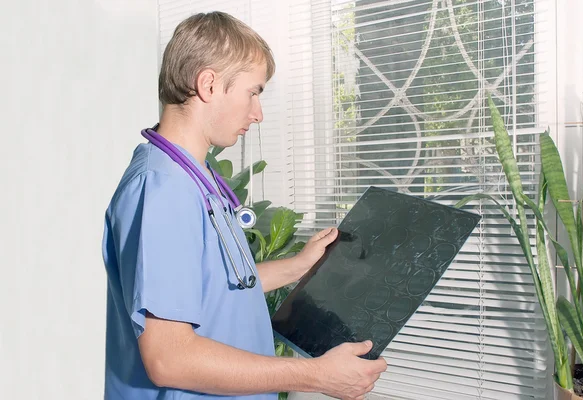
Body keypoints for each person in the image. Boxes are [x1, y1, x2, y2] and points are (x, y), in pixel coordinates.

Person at [101, 11, 387, 400]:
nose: (258, 113)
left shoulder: (195, 177)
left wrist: (298, 265)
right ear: (208, 84)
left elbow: (219, 289)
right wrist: (316, 375)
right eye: (253, 92)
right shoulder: (163, 189)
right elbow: (168, 358)